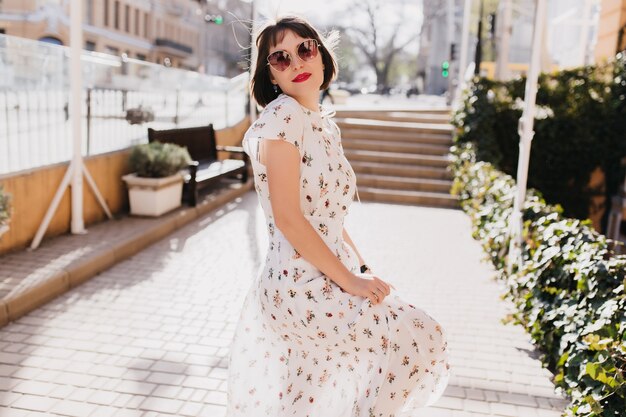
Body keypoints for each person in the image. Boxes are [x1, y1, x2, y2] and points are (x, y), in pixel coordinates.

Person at [227, 15, 450, 417]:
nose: (296, 63)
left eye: (304, 49)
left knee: (303, 397)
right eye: (280, 58)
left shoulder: (321, 124)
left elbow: (327, 216)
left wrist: (361, 265)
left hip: (325, 271)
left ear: (322, 56)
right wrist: (350, 280)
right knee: (421, 338)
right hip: (298, 286)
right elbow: (290, 219)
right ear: (270, 76)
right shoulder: (283, 118)